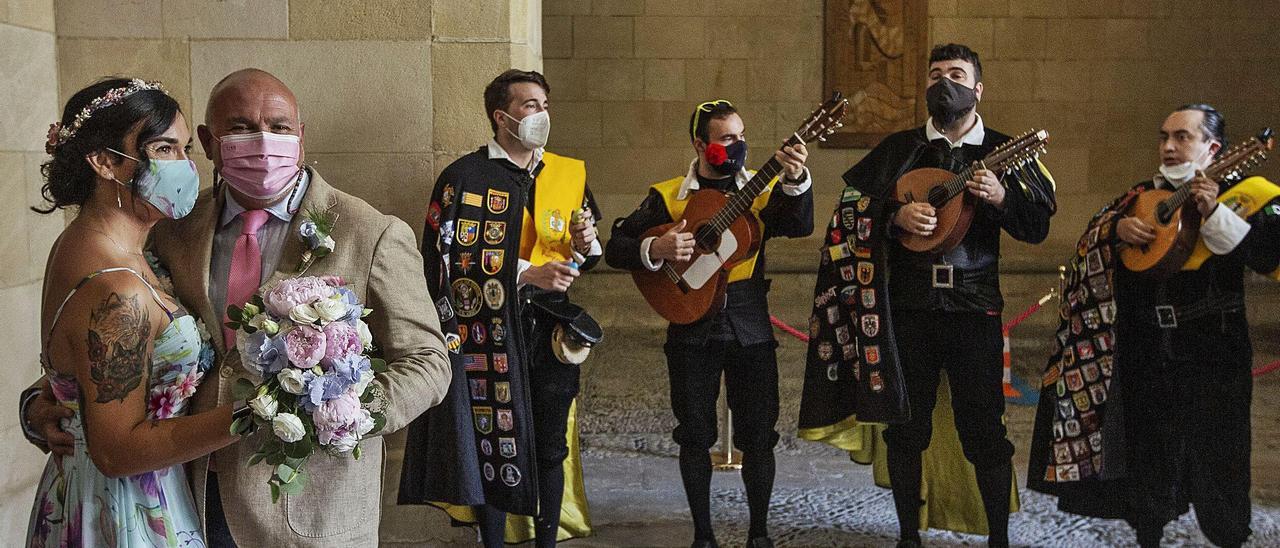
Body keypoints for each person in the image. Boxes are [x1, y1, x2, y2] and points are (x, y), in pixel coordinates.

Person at [21, 68, 453, 547]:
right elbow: (114, 337)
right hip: (183, 493)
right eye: (242, 128)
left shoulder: (369, 232)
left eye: (280, 127)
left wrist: (345, 413)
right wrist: (48, 402)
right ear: (210, 141)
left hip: (306, 513)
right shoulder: (170, 225)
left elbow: (428, 362)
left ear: (301, 136)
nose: (264, 141)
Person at [801, 43, 1056, 548]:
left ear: (978, 89)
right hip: (908, 310)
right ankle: (906, 537)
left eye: (957, 74)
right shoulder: (899, 150)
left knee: (983, 427)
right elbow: (848, 216)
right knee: (906, 425)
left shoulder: (1006, 149)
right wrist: (892, 219)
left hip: (974, 308)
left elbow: (1037, 226)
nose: (945, 82)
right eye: (936, 73)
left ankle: (999, 539)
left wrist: (1002, 198)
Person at [1028, 104, 1280, 548]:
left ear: (1213, 148)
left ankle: (1228, 535)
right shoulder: (1139, 196)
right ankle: (1148, 532)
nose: (1167, 146)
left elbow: (1268, 256)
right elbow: (1090, 243)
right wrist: (1115, 231)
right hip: (1148, 345)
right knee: (1148, 448)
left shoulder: (1247, 192)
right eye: (1164, 136)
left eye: (1182, 137)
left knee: (1220, 451)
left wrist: (1214, 211)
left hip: (1214, 347)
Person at [21, 77, 235, 547]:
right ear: (104, 162)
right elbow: (117, 451)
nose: (184, 166)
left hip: (94, 489)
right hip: (125, 511)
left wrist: (35, 404)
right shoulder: (117, 288)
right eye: (163, 149)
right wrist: (250, 417)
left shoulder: (94, 244)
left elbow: (81, 376)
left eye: (183, 150)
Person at [399, 68, 602, 548]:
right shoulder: (463, 178)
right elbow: (443, 259)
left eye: (545, 104)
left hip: (551, 329)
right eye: (531, 105)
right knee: (491, 442)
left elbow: (587, 255)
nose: (541, 114)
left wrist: (586, 244)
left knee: (551, 445)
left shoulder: (568, 172)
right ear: (501, 116)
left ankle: (546, 543)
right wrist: (524, 274)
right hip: (484, 332)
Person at [605, 99, 812, 548]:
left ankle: (759, 533)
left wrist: (795, 178)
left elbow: (798, 224)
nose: (737, 145)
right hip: (690, 325)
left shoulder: (759, 192)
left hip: (749, 325)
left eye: (741, 136)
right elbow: (616, 246)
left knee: (760, 434)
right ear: (701, 144)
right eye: (726, 138)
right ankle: (703, 535)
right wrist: (655, 249)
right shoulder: (668, 196)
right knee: (695, 433)